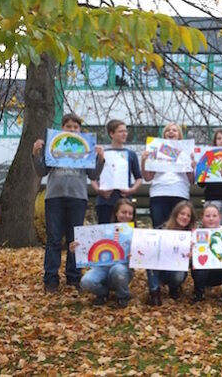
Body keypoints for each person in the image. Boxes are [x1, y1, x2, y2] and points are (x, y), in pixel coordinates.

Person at [32, 113, 105, 293]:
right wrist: (36, 153)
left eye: (75, 127)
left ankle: (73, 278)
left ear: (79, 130)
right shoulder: (53, 145)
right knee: (54, 239)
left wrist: (100, 159)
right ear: (62, 129)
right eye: (68, 127)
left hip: (78, 197)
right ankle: (50, 279)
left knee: (75, 240)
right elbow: (41, 171)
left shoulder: (85, 148)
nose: (72, 130)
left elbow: (93, 175)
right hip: (54, 197)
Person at [71, 199, 136, 308]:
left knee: (118, 270)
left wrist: (135, 257)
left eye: (130, 213)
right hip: (101, 268)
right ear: (116, 213)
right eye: (123, 212)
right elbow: (88, 249)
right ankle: (102, 293)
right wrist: (76, 249)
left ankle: (123, 296)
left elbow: (142, 258)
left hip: (122, 269)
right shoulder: (102, 231)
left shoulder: (135, 234)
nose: (127, 216)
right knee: (86, 281)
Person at [141, 122, 194, 229]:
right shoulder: (156, 149)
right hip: (159, 193)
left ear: (179, 135)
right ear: (164, 135)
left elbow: (192, 180)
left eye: (174, 130)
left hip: (180, 193)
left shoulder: (186, 152)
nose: (171, 132)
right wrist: (143, 161)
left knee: (179, 229)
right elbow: (147, 178)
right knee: (159, 229)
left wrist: (192, 166)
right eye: (168, 130)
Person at [91, 119, 142, 223]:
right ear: (111, 134)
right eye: (121, 131)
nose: (124, 134)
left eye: (126, 131)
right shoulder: (102, 153)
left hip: (124, 203)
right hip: (105, 201)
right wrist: (98, 190)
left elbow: (139, 178)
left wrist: (131, 190)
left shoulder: (131, 154)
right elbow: (93, 177)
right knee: (105, 233)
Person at [146, 201, 194, 306]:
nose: (185, 217)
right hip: (158, 270)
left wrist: (191, 257)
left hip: (176, 270)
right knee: (150, 256)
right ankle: (154, 292)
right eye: (182, 214)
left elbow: (193, 264)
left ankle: (174, 287)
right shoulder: (160, 230)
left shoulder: (192, 236)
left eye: (188, 215)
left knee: (179, 276)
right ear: (175, 214)